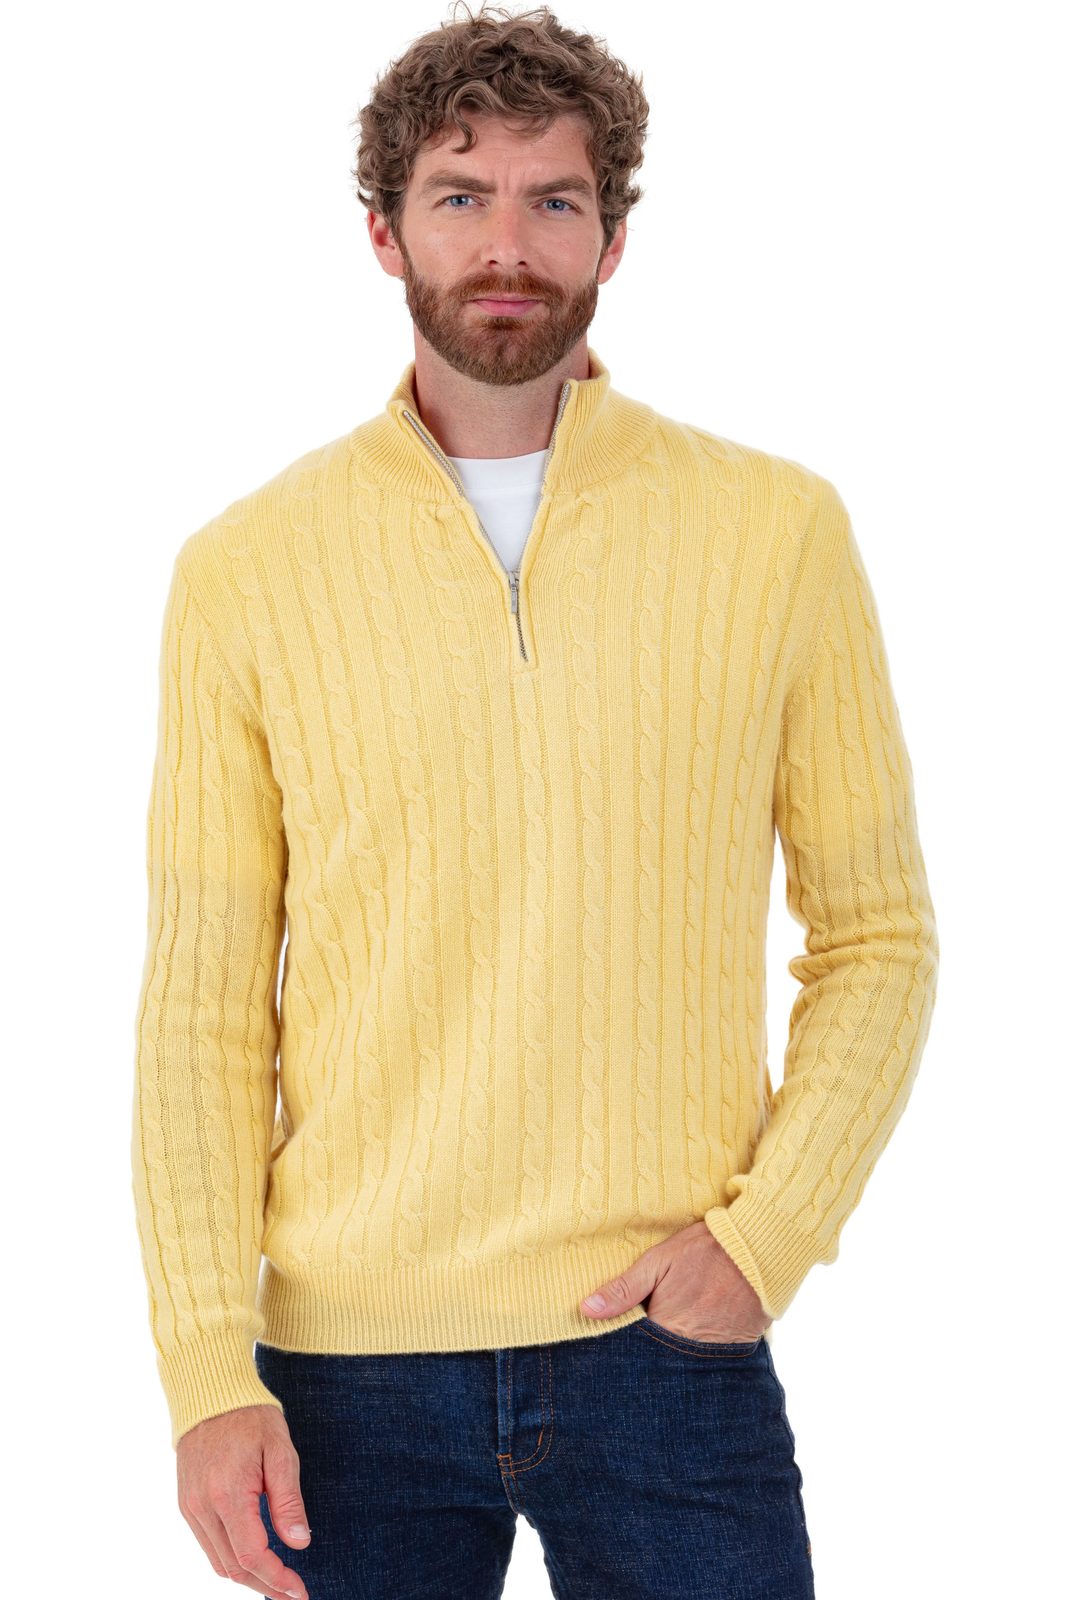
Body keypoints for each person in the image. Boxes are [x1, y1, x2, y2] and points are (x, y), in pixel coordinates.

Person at [130, 4, 939, 1596]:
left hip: (665, 1349)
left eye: (553, 198)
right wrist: (205, 1367)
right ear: (384, 232)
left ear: (612, 238)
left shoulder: (777, 532)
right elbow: (205, 1010)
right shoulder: (245, 571)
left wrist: (768, 1237)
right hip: (345, 1377)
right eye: (460, 194)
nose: (507, 243)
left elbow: (878, 937)